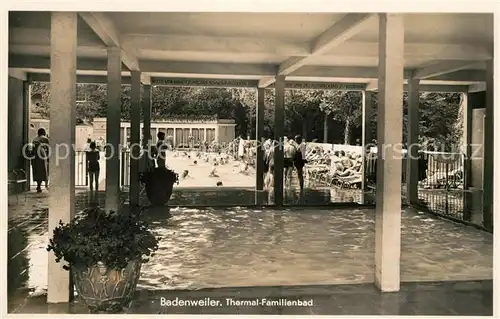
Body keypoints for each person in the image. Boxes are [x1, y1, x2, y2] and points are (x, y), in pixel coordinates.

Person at [31, 128, 50, 192]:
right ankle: (46, 185)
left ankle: (38, 186)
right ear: (44, 132)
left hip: (34, 155)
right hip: (41, 154)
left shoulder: (35, 139)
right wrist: (48, 158)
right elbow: (49, 148)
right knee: (44, 170)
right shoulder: (45, 138)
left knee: (36, 170)